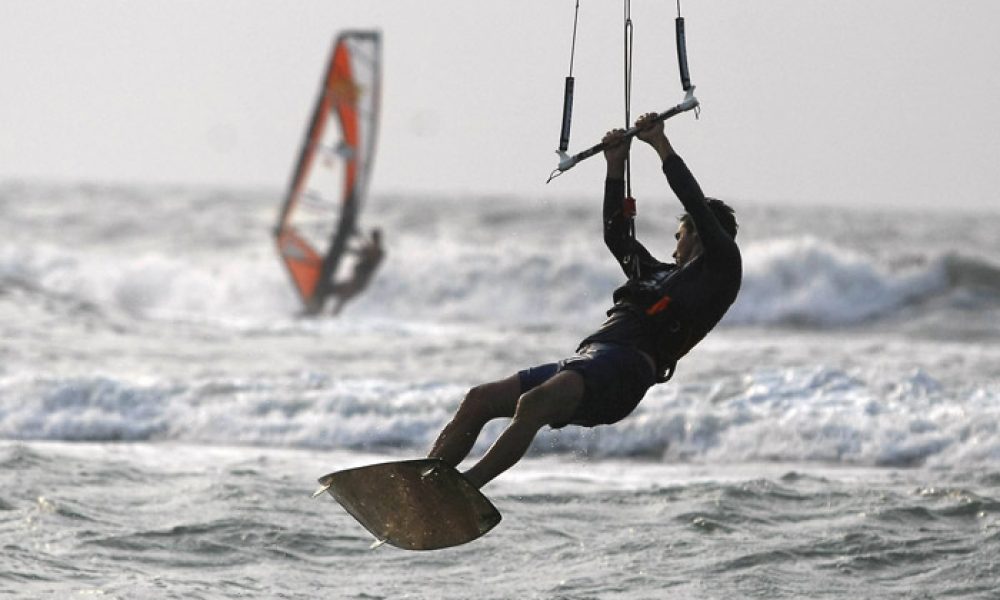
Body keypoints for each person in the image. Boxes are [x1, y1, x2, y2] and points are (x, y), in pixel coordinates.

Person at [428, 113, 742, 488]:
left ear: (698, 234)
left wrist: (660, 144)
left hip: (624, 370)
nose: (674, 247)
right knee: (479, 399)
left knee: (533, 404)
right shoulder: (656, 273)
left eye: (679, 236)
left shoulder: (721, 271)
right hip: (588, 359)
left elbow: (694, 201)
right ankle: (422, 484)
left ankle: (463, 489)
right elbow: (616, 237)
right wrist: (615, 165)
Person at [328, 227, 385, 315]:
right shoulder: (370, 248)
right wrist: (342, 245)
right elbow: (358, 251)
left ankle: (330, 316)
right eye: (373, 237)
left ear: (379, 239)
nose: (374, 240)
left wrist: (357, 237)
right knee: (332, 290)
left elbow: (367, 253)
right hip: (353, 281)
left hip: (359, 284)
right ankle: (318, 309)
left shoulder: (379, 252)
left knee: (341, 299)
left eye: (375, 238)